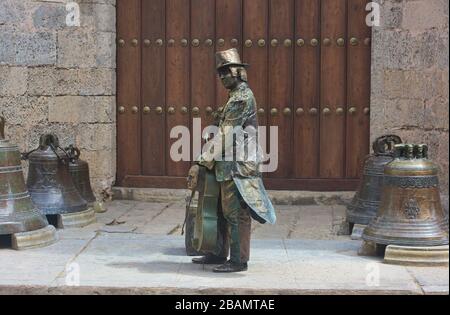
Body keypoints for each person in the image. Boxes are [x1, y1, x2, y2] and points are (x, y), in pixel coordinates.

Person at [189, 48, 276, 273]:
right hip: (225, 163)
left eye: (226, 72)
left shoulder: (241, 97)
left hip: (238, 165)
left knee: (235, 212)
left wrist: (201, 161)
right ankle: (217, 253)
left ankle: (238, 260)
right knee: (219, 209)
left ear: (238, 72)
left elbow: (227, 133)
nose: (222, 77)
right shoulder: (233, 96)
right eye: (220, 73)